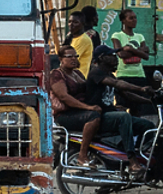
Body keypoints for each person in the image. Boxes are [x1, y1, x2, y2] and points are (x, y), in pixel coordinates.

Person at [85, 45, 154, 173]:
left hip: (110, 116)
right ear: (102, 58)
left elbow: (126, 94)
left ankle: (135, 154)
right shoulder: (96, 73)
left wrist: (150, 101)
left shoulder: (109, 74)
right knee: (124, 116)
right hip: (99, 117)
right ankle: (132, 161)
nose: (115, 58)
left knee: (148, 125)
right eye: (111, 56)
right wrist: (141, 89)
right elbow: (117, 84)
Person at [49, 45, 102, 167]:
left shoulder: (77, 73)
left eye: (75, 56)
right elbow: (64, 97)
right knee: (93, 117)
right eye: (69, 56)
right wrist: (88, 108)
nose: (74, 59)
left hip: (78, 112)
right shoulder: (56, 74)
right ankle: (82, 156)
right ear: (61, 59)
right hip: (65, 115)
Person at [112, 9, 150, 91]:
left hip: (140, 75)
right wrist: (139, 51)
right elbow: (121, 54)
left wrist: (130, 49)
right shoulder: (117, 36)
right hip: (123, 75)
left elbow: (146, 56)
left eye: (135, 18)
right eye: (131, 18)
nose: (134, 20)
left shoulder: (140, 36)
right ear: (123, 20)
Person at [67, 11, 94, 77]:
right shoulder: (73, 38)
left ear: (83, 24)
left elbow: (68, 61)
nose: (71, 24)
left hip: (77, 79)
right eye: (69, 22)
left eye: (75, 22)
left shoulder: (83, 39)